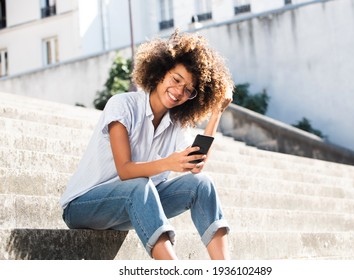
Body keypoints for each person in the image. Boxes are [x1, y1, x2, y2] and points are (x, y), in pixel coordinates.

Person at [60, 30, 234, 260]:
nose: (179, 91)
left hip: (132, 208)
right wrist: (168, 163)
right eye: (176, 79)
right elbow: (125, 170)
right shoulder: (122, 106)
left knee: (202, 183)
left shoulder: (175, 125)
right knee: (138, 185)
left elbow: (195, 167)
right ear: (161, 72)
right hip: (84, 207)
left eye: (188, 89)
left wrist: (216, 114)